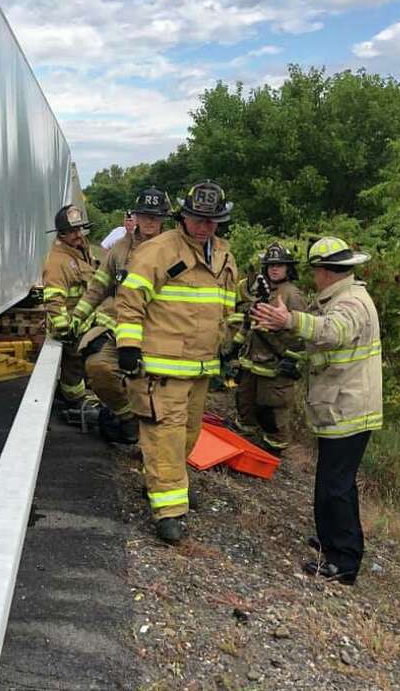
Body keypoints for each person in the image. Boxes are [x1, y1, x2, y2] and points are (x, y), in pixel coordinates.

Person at [251, 237, 382, 585]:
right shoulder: (341, 297)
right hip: (340, 407)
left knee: (335, 486)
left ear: (324, 271)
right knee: (332, 482)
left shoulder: (351, 303)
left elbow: (333, 331)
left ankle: (344, 561)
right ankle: (331, 541)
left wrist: (290, 320)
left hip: (349, 410)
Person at [115, 180, 238, 544]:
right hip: (161, 368)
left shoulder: (223, 255)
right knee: (165, 438)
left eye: (212, 220)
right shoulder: (158, 251)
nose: (204, 226)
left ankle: (166, 485)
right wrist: (128, 347)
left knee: (187, 436)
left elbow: (226, 306)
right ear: (184, 216)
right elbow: (129, 300)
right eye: (198, 218)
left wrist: (228, 347)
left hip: (199, 368)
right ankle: (169, 512)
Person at [72, 188, 172, 443]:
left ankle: (154, 434)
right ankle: (128, 418)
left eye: (156, 216)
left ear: (164, 219)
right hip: (123, 327)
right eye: (145, 215)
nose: (150, 221)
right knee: (99, 367)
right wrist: (76, 318)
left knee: (157, 387)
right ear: (135, 216)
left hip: (162, 329)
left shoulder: (173, 250)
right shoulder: (119, 249)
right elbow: (98, 286)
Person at [230, 243, 308, 451]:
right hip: (251, 362)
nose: (275, 269)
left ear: (288, 268)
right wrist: (233, 349)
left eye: (280, 265)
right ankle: (244, 444)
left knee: (272, 412)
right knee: (245, 404)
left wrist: (292, 360)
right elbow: (248, 322)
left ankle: (273, 449)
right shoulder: (261, 291)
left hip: (275, 367)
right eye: (271, 265)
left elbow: (301, 335)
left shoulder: (292, 295)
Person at [42, 205, 97, 407]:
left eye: (79, 229)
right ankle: (73, 400)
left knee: (82, 366)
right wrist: (65, 331)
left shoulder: (81, 250)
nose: (78, 235)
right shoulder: (57, 262)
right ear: (62, 234)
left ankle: (76, 394)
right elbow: (54, 300)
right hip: (71, 329)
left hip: (85, 322)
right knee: (74, 368)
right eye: (72, 231)